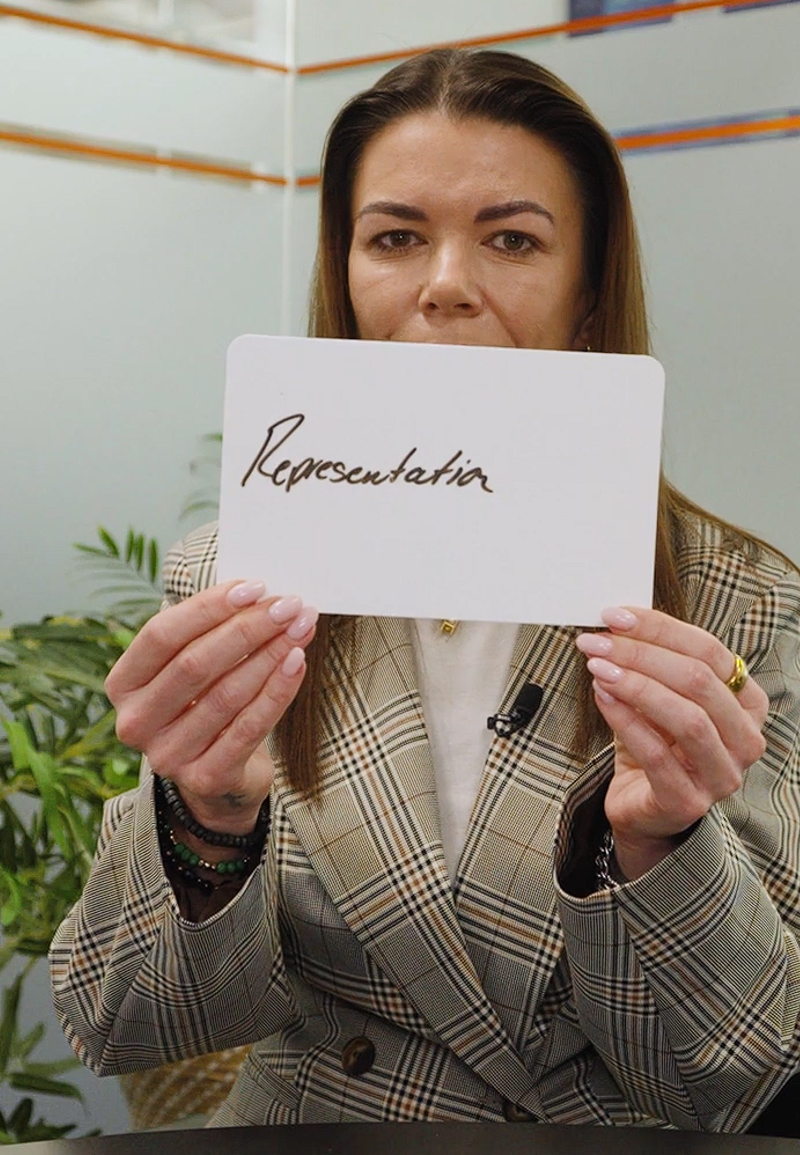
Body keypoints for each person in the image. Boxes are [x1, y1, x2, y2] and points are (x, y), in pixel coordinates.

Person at [50, 48, 800, 1133]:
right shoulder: (232, 580)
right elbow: (125, 1020)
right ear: (345, 278)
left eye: (510, 238)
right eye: (395, 236)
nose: (443, 281)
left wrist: (662, 843)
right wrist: (204, 818)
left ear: (587, 290)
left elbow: (753, 1068)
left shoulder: (735, 601)